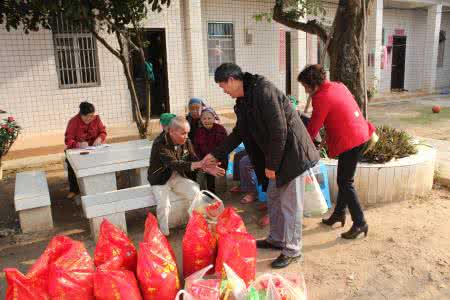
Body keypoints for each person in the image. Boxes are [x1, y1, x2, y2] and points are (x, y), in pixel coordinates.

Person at [205, 63, 320, 268]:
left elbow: (279, 130)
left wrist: (272, 165)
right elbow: (239, 132)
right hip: (275, 157)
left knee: (290, 206)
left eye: (223, 85)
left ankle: (293, 250)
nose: (223, 90)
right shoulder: (243, 101)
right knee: (274, 198)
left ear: (232, 80)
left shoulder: (263, 90)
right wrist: (216, 154)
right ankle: (277, 239)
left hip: (292, 155)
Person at [298, 64, 375, 239]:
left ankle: (360, 223)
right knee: (344, 179)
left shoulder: (321, 97)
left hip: (351, 140)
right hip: (362, 133)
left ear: (312, 85)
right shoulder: (338, 86)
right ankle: (339, 214)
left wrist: (302, 145)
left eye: (305, 87)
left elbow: (312, 129)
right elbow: (336, 115)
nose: (306, 91)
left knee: (345, 181)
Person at [148, 116, 224, 235]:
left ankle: (196, 225)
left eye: (187, 133)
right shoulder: (160, 143)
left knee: (195, 191)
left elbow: (193, 158)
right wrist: (200, 164)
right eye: (183, 133)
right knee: (164, 204)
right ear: (172, 132)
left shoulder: (186, 141)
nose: (187, 136)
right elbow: (174, 164)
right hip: (160, 179)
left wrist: (207, 168)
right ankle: (164, 234)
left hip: (177, 176)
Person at [64, 101, 106, 199]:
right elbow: (67, 140)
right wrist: (78, 144)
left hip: (93, 149)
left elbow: (103, 132)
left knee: (101, 162)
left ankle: (97, 186)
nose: (89, 119)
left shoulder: (96, 119)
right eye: (86, 116)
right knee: (72, 165)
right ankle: (74, 190)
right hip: (76, 150)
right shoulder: (73, 122)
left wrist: (100, 138)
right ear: (81, 114)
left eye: (91, 116)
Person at [194, 108, 228, 193]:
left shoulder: (220, 130)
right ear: (201, 120)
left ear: (214, 118)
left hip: (219, 160)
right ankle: (205, 192)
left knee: (212, 171)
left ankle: (212, 193)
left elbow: (224, 148)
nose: (207, 121)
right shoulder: (199, 132)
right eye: (204, 119)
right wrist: (201, 161)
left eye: (209, 118)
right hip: (204, 160)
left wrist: (215, 159)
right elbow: (196, 149)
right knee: (200, 170)